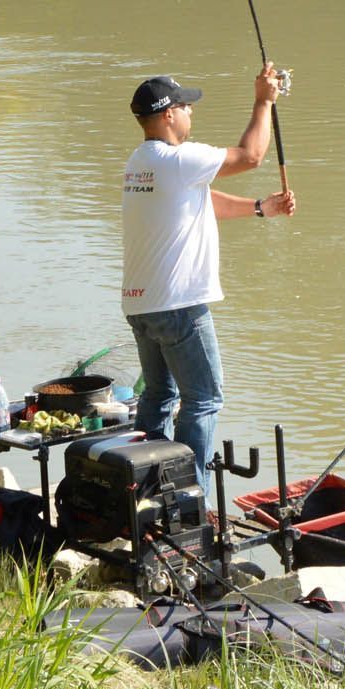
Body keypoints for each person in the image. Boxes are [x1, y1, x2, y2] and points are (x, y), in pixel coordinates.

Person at [121, 63, 295, 488]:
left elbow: (201, 201)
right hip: (180, 305)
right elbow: (251, 156)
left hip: (142, 306)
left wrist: (259, 208)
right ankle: (186, 496)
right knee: (204, 399)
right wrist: (263, 101)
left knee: (159, 397)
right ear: (167, 114)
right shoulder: (177, 160)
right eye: (185, 106)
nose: (190, 114)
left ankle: (143, 490)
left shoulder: (139, 163)